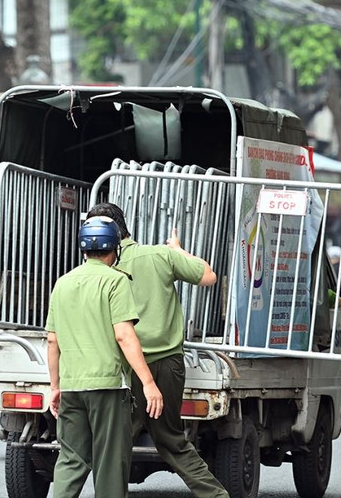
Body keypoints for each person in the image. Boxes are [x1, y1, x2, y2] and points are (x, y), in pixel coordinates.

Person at [86, 202, 229, 498]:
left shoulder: (99, 268)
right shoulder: (159, 255)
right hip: (167, 364)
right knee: (171, 441)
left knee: (115, 443)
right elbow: (208, 276)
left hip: (123, 368)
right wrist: (177, 249)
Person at [46, 216, 164, 497]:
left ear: (82, 248)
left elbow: (52, 340)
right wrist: (148, 383)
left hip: (72, 387)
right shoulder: (116, 281)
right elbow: (124, 335)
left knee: (71, 461)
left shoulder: (62, 283)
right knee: (110, 463)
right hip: (108, 388)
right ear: (116, 248)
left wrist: (55, 386)